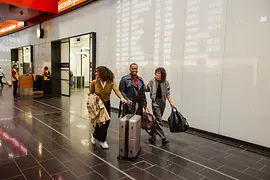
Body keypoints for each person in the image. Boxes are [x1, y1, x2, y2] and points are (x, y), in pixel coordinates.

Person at [89, 66, 128, 149]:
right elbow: (90, 93)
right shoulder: (94, 82)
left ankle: (99, 138)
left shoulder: (111, 82)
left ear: (103, 73)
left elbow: (116, 90)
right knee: (99, 123)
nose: (95, 73)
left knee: (106, 122)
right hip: (97, 105)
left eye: (97, 72)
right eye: (95, 72)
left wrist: (122, 98)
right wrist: (94, 95)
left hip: (106, 103)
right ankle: (99, 138)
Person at [146, 67, 174, 146]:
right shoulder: (152, 81)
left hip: (163, 102)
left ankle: (153, 135)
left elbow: (168, 93)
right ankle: (163, 138)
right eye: (156, 73)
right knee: (159, 120)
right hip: (155, 102)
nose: (157, 74)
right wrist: (144, 86)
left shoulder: (166, 82)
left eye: (159, 73)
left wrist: (171, 102)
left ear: (162, 74)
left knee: (157, 120)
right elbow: (148, 89)